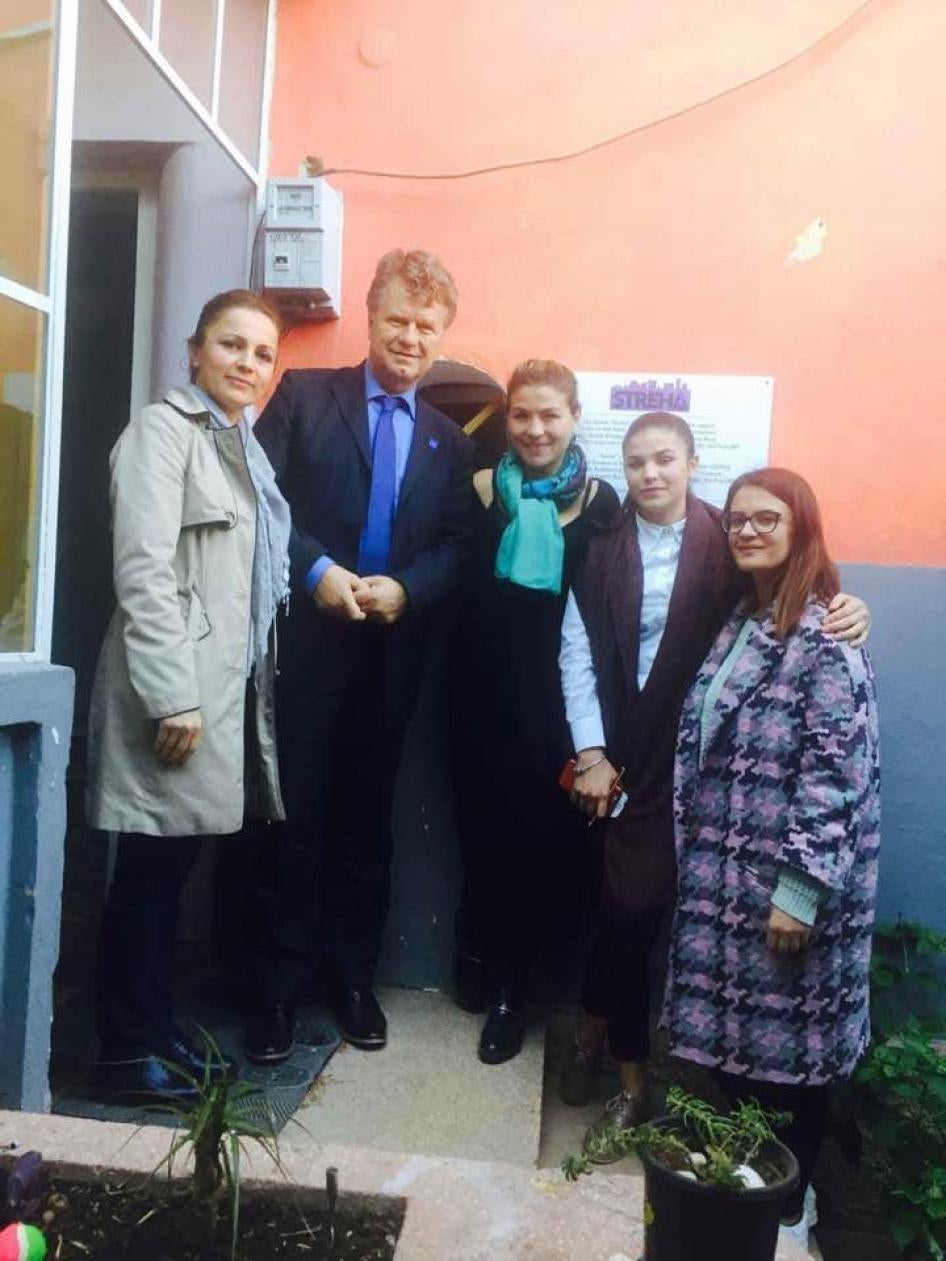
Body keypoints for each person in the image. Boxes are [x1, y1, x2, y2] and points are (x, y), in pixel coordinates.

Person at [558, 413, 870, 1141]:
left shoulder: (727, 542)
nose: (649, 474)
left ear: (693, 460)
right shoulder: (599, 547)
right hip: (611, 761)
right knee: (614, 910)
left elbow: (795, 591)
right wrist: (591, 750)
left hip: (696, 774)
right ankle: (599, 1039)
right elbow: (574, 651)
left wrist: (851, 607)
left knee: (633, 914)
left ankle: (623, 1070)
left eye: (665, 458)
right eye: (636, 461)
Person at [244, 249, 474, 1062]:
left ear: (442, 336)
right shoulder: (306, 397)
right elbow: (258, 498)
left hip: (389, 663)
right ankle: (272, 992)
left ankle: (350, 982)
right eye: (396, 320)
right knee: (290, 819)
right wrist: (316, 571)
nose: (409, 337)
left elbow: (458, 544)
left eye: (425, 326)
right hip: (303, 650)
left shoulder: (449, 441)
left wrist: (408, 589)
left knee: (365, 828)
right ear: (371, 318)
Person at [662, 466, 880, 1243]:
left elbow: (836, 775)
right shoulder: (743, 620)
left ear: (801, 530)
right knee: (748, 1056)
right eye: (738, 520)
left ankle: (791, 1208)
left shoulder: (825, 636)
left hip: (780, 888)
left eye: (767, 519)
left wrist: (800, 888)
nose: (748, 531)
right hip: (728, 880)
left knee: (792, 1064)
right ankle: (758, 1194)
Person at [86, 289, 289, 1101]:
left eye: (262, 353)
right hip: (168, 696)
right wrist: (172, 695)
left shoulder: (238, 440)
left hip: (216, 696)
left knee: (169, 870)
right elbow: (143, 570)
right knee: (146, 868)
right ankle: (121, 1054)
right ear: (195, 351)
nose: (246, 362)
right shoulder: (161, 433)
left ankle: (152, 1025)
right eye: (231, 345)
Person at [449, 359, 621, 1064]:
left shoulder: (607, 502)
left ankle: (531, 986)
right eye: (522, 415)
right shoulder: (483, 490)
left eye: (550, 414)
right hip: (480, 699)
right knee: (488, 843)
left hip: (567, 710)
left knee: (553, 851)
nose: (535, 428)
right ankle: (499, 981)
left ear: (575, 416)